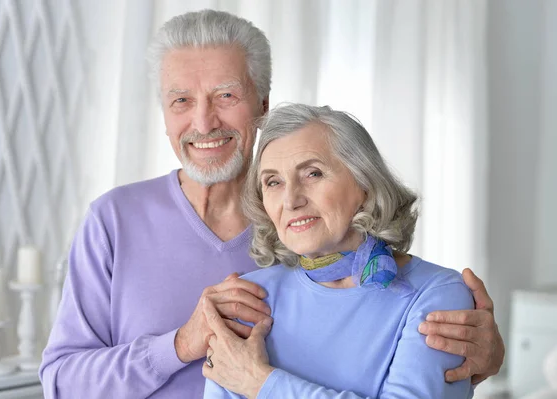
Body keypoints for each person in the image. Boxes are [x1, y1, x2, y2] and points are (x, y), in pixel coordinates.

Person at [39, 9, 504, 399]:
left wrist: (482, 357)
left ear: (261, 103)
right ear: (163, 114)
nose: (204, 122)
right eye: (181, 100)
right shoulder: (114, 220)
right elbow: (60, 381)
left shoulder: (311, 235)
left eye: (226, 95)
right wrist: (180, 344)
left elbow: (404, 331)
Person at [202, 103, 476, 399]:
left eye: (313, 174)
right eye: (273, 182)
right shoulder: (249, 298)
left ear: (365, 183)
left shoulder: (438, 294)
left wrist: (260, 383)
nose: (291, 200)